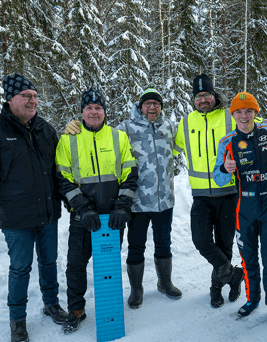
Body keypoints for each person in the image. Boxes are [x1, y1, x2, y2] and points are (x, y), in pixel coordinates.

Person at [0, 73, 66, 342]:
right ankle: (17, 320)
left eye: (35, 96)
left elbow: (59, 173)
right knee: (21, 268)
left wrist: (72, 202)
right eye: (26, 96)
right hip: (17, 217)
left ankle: (51, 304)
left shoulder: (46, 130)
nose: (33, 100)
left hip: (47, 214)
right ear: (10, 99)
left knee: (49, 262)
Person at [64, 84, 182, 309]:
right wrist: (74, 127)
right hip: (136, 202)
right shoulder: (125, 128)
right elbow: (98, 135)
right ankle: (136, 289)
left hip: (164, 199)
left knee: (164, 243)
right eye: (147, 103)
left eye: (156, 103)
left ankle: (164, 283)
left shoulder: (169, 127)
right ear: (140, 106)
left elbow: (188, 139)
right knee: (136, 246)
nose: (152, 107)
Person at [55, 87, 138, 332]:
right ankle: (76, 309)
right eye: (89, 108)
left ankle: (109, 309)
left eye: (98, 108)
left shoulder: (118, 137)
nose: (94, 112)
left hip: (113, 216)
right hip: (83, 215)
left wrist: (123, 207)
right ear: (82, 111)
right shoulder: (68, 139)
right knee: (76, 263)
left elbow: (130, 175)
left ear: (105, 112)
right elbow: (63, 179)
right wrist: (82, 208)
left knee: (108, 263)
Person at [213, 92, 267, 330]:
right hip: (244, 210)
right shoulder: (227, 141)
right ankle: (252, 299)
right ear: (232, 114)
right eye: (238, 112)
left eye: (248, 111)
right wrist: (225, 168)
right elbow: (218, 178)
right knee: (248, 261)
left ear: (256, 112)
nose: (243, 116)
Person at [175, 74, 244, 308]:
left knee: (224, 245)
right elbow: (165, 142)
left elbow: (255, 126)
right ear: (194, 99)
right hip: (201, 196)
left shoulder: (229, 116)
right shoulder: (186, 123)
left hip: (228, 193)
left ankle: (216, 289)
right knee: (201, 240)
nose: (202, 99)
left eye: (206, 95)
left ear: (214, 96)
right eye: (198, 96)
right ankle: (235, 276)